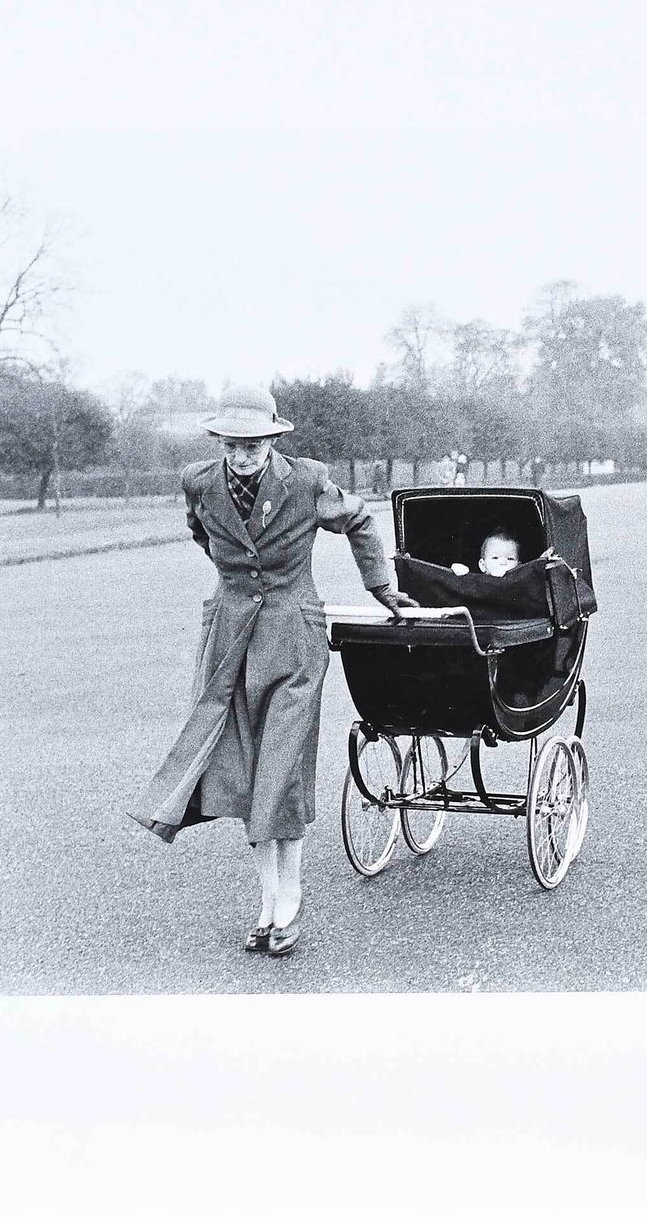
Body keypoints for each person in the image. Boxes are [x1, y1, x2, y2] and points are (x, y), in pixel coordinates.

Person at [128, 386, 417, 956]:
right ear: (219, 441)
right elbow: (202, 533)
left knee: (281, 768)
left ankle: (290, 897)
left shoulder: (307, 481)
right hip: (228, 640)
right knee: (242, 771)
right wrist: (235, 580)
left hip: (293, 639)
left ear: (272, 439)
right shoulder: (199, 482)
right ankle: (267, 899)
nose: (242, 455)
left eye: (253, 445)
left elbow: (360, 520)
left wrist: (382, 587)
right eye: (231, 445)